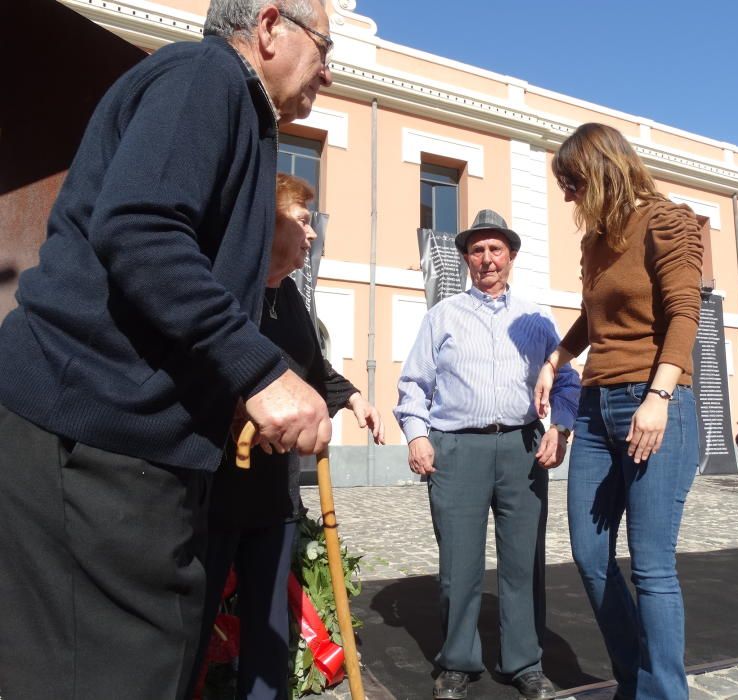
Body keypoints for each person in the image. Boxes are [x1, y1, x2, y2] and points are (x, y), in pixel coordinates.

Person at [0, 2, 336, 697]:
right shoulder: (203, 78)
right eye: (323, 46)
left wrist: (226, 392)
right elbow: (141, 231)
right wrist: (258, 370)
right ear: (270, 25)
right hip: (88, 439)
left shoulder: (234, 109)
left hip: (126, 451)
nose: (327, 73)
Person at [190, 174, 384, 699]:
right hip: (214, 489)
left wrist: (354, 398)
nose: (313, 235)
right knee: (193, 618)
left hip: (275, 493)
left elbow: (313, 369)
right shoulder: (223, 292)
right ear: (264, 222)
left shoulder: (294, 298)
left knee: (270, 622)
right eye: (302, 220)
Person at [534, 122, 702, 699]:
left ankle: (660, 693)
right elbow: (593, 318)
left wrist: (658, 397)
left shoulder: (667, 220)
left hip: (654, 405)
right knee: (588, 554)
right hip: (595, 410)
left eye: (573, 183)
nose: (567, 197)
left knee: (652, 567)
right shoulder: (594, 244)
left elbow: (684, 315)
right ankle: (635, 680)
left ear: (602, 170)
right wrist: (557, 357)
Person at [394, 209, 581, 700]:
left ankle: (524, 661)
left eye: (496, 249)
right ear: (466, 259)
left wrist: (559, 428)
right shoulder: (442, 317)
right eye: (477, 250)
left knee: (524, 563)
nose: (487, 258)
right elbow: (413, 385)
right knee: (459, 565)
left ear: (511, 256)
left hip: (522, 448)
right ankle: (457, 661)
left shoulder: (536, 319)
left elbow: (566, 379)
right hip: (457, 449)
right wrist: (417, 435)